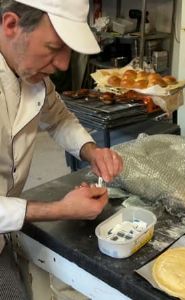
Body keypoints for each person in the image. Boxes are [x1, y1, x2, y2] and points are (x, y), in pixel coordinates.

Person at [0, 0, 123, 298]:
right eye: (55, 47)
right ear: (11, 25)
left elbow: (58, 117)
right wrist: (60, 210)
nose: (64, 65)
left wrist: (92, 151)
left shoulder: (28, 73)